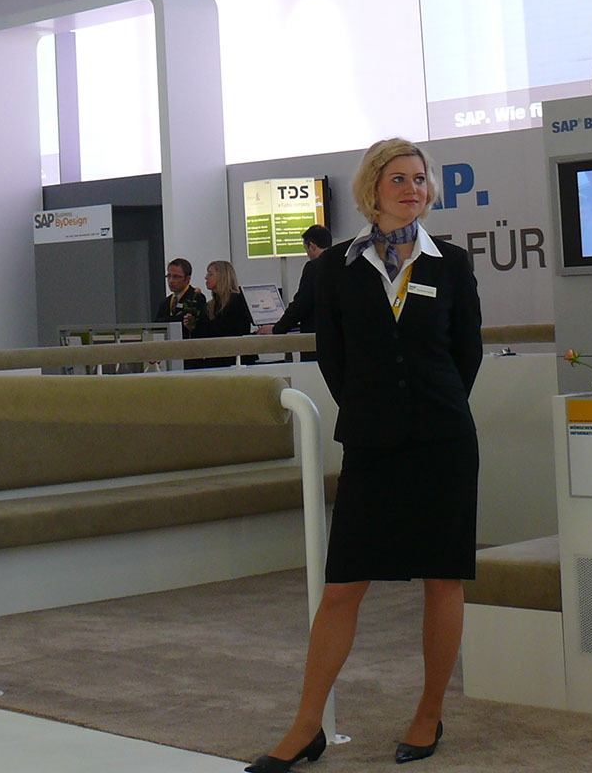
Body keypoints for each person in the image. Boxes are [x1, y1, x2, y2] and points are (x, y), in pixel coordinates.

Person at [251, 139, 482, 771]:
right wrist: (379, 410)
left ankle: (429, 712)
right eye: (398, 179)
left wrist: (427, 409)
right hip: (372, 444)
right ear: (371, 188)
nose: (412, 189)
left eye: (420, 179)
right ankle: (307, 726)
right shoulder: (334, 269)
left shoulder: (451, 264)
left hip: (443, 442)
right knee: (343, 585)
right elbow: (335, 359)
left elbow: (466, 354)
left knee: (442, 578)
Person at [265, 224, 334, 338]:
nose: (307, 254)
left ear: (312, 246)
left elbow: (302, 304)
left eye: (306, 249)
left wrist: (277, 329)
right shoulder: (342, 264)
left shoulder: (314, 267)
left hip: (316, 335)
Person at [184, 260, 255, 369]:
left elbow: (229, 332)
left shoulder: (237, 301)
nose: (206, 277)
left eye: (210, 274)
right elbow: (205, 335)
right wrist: (193, 327)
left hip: (234, 360)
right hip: (217, 358)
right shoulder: (210, 305)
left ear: (222, 277)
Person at [156, 259, 206, 327]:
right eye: (169, 276)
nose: (171, 281)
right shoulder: (165, 303)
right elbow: (156, 324)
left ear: (187, 279)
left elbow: (184, 322)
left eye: (176, 277)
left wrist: (166, 320)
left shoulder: (196, 297)